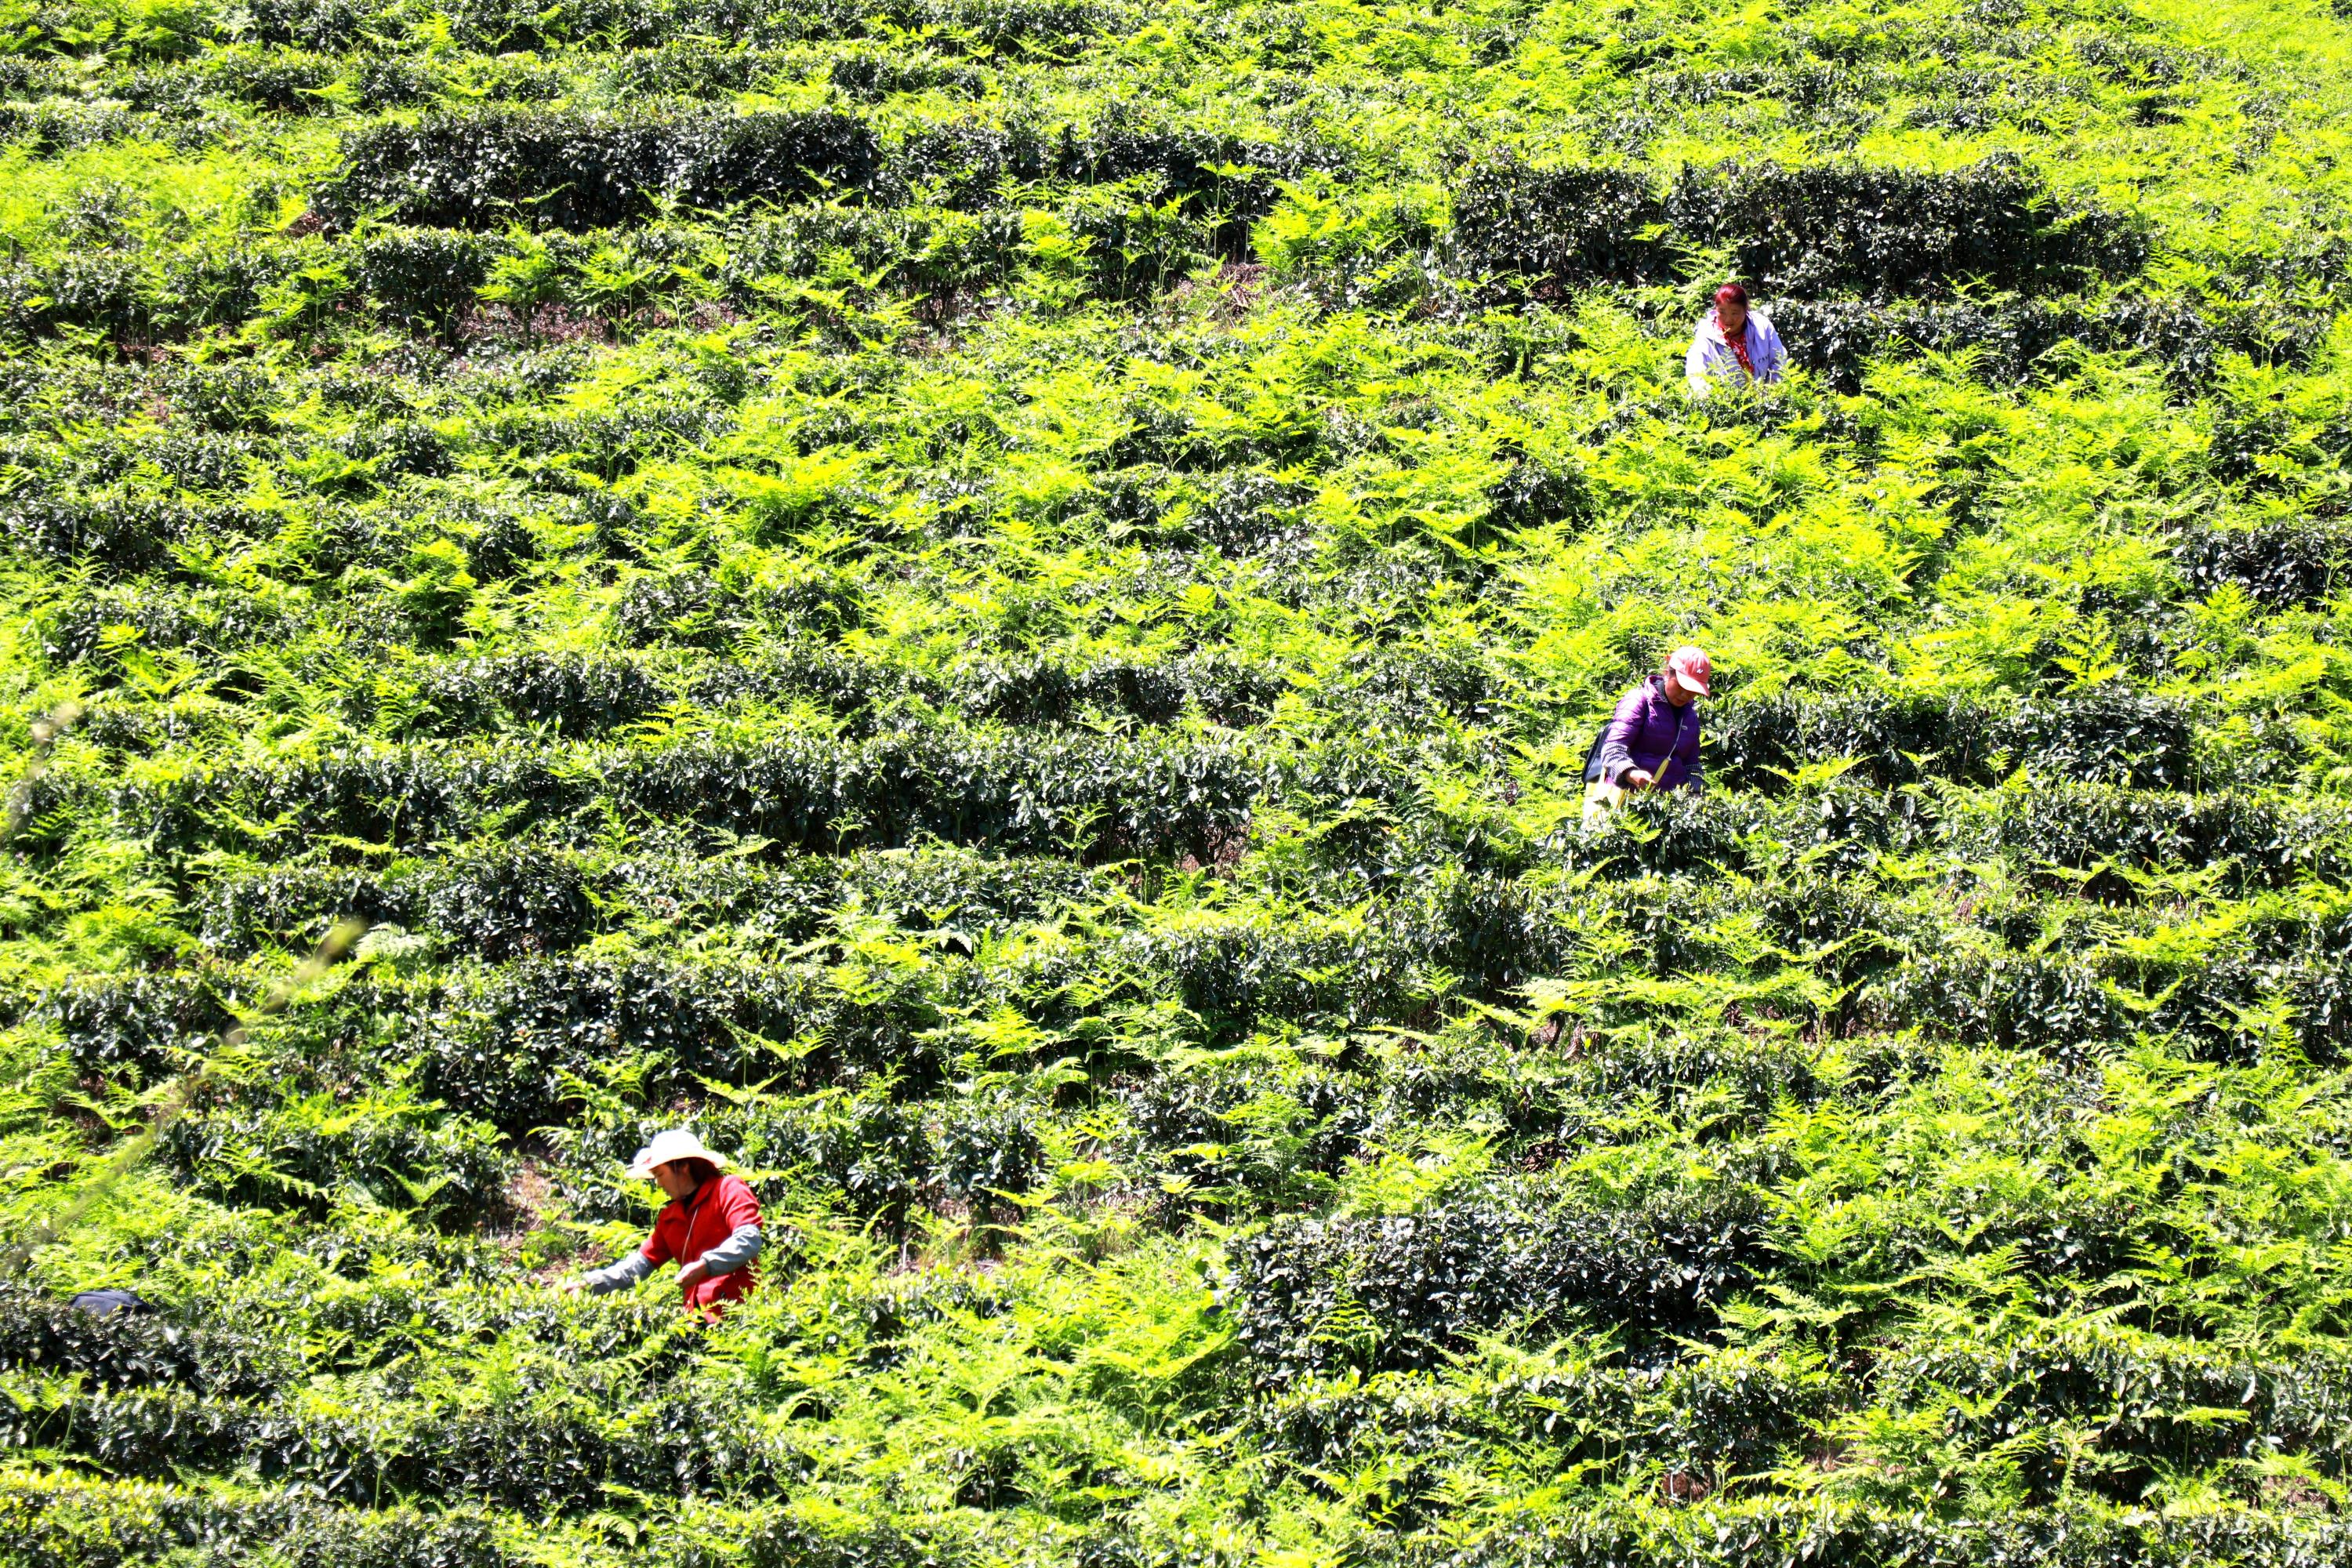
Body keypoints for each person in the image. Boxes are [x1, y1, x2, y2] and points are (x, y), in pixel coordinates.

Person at [563, 1129, 764, 1317]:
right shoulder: (670, 1218)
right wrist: (589, 1284)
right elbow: (636, 1267)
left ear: (683, 1166)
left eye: (660, 1174)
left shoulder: (727, 1189)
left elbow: (748, 1240)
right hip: (695, 1325)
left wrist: (706, 1265)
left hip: (739, 1318)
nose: (658, 1183)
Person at [1582, 646, 1712, 830]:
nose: (1686, 695)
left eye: (1693, 690)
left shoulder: (1690, 718)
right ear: (1667, 673)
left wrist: (1695, 794)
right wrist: (1630, 773)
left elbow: (1692, 765)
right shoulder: (1639, 701)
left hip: (1663, 813)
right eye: (1682, 686)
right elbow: (1613, 748)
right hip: (1622, 804)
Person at [1686, 284, 1785, 397]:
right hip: (1725, 407)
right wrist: (1711, 399)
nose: (1728, 319)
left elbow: (1779, 361)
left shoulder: (1762, 327)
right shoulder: (1706, 336)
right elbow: (1696, 374)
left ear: (1746, 310)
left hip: (1764, 402)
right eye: (1722, 312)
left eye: (1735, 313)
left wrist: (1768, 394)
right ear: (1715, 309)